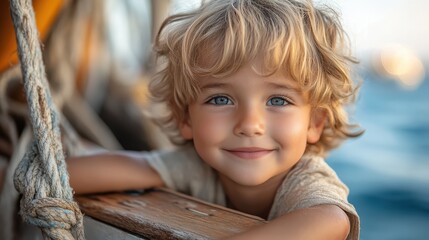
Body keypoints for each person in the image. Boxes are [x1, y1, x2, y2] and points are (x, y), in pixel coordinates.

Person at [67, 0, 363, 239]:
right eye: (220, 99)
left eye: (278, 100)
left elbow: (332, 219)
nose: (249, 124)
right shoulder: (197, 165)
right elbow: (83, 173)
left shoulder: (306, 179)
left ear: (315, 122)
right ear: (186, 118)